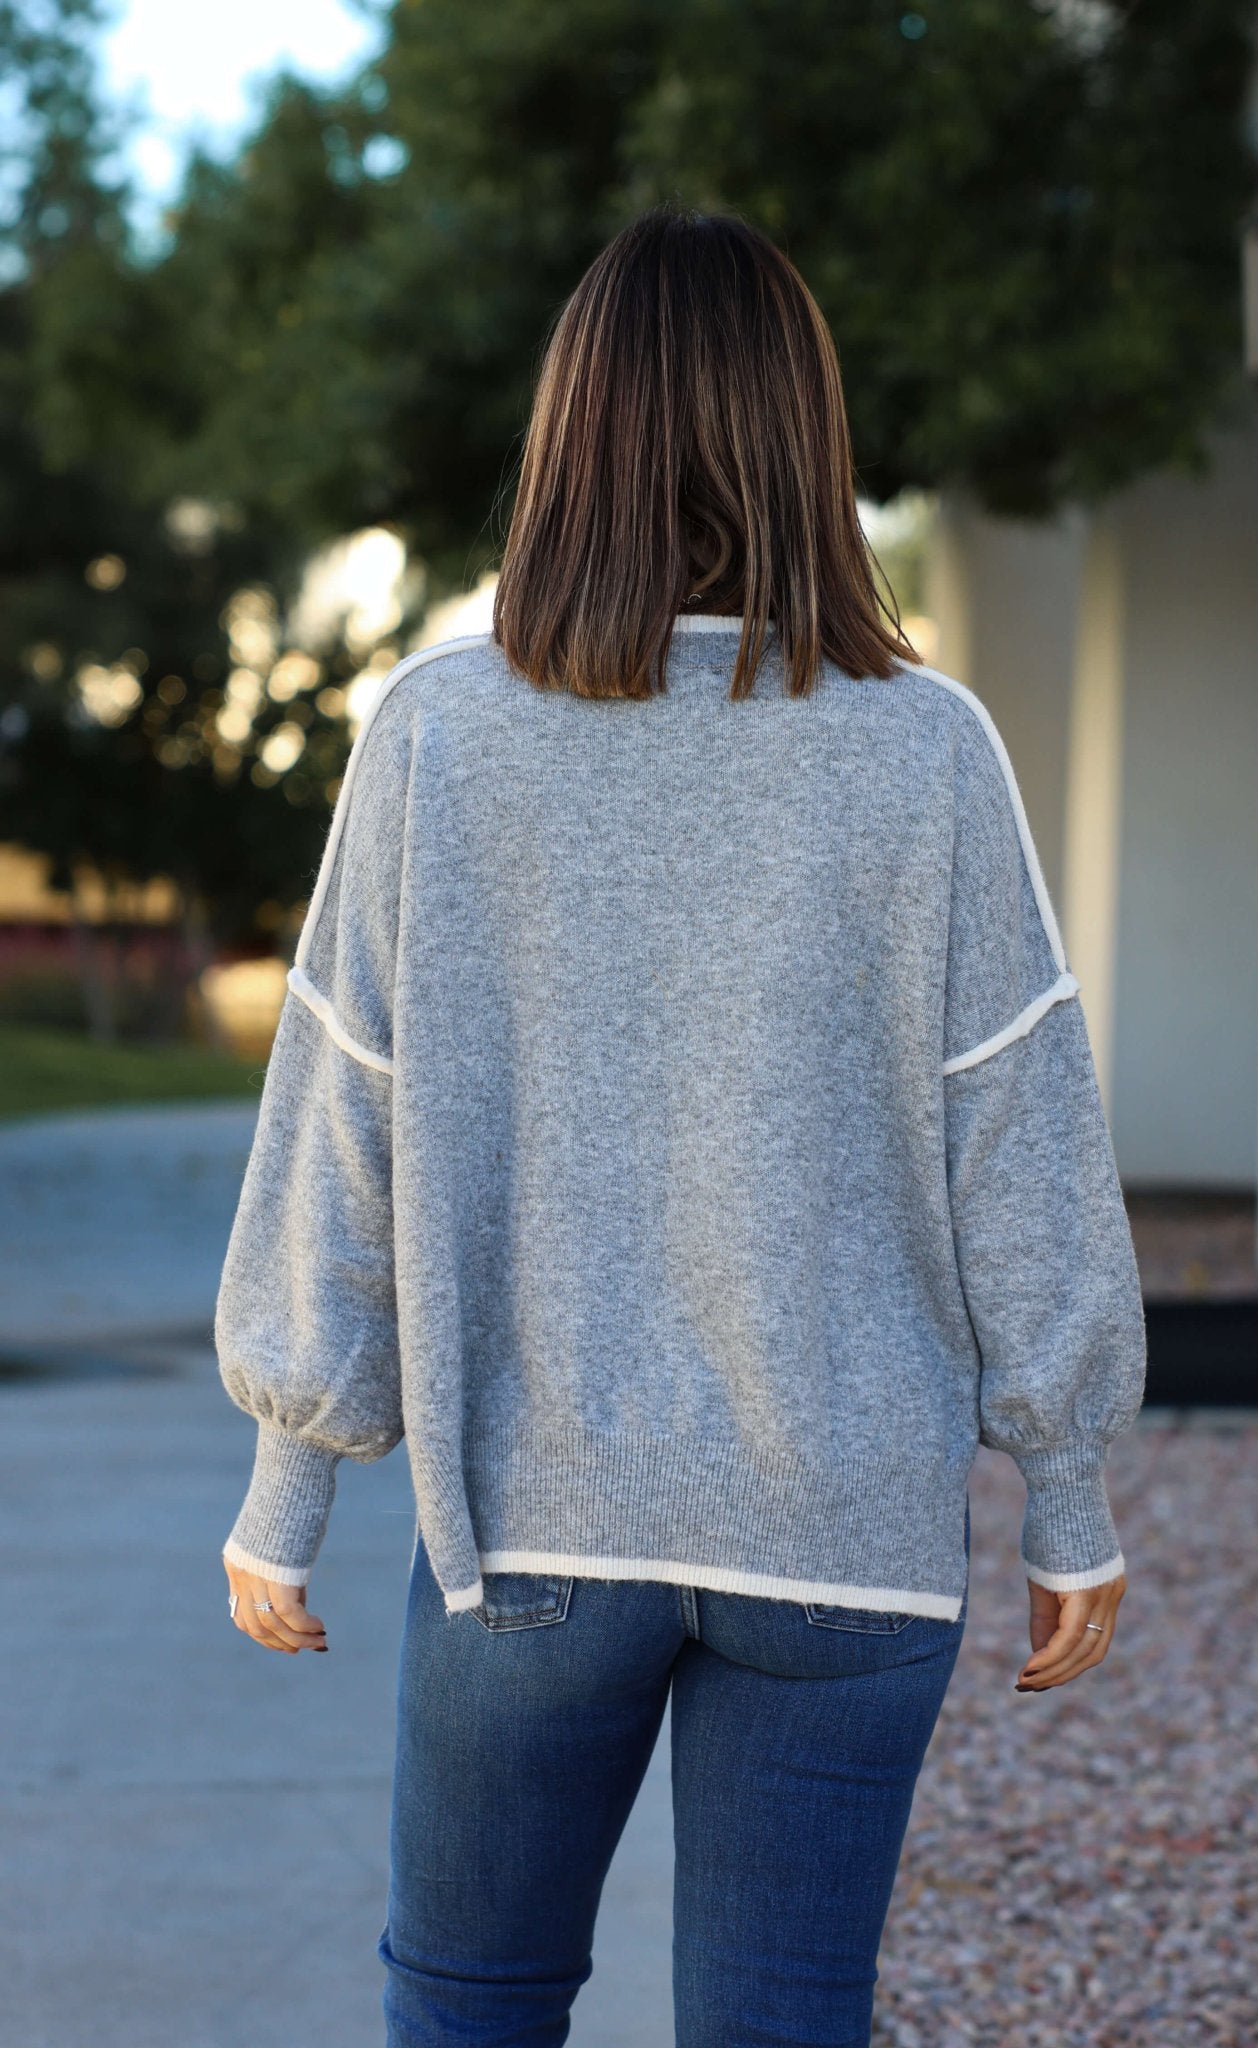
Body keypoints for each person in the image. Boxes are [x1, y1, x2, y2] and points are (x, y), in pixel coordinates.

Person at [216, 202, 1147, 2048]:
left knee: (470, 2005)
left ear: (570, 439)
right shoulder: (928, 744)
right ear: (808, 437)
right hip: (844, 1536)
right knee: (781, 2022)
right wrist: (1066, 1488)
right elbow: (1018, 1132)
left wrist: (293, 1470)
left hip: (535, 1542)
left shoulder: (441, 733)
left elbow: (346, 1109)